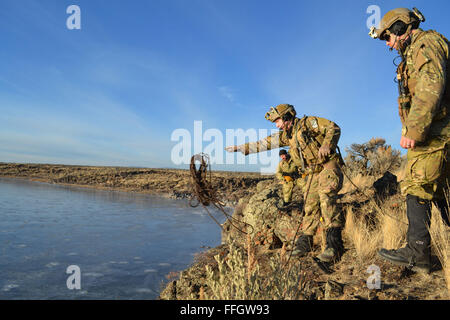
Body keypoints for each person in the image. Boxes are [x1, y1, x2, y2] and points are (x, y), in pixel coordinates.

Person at [369, 7, 450, 273]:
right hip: (436, 133)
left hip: (436, 134)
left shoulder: (425, 45)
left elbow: (430, 87)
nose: (389, 45)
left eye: (388, 38)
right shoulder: (414, 53)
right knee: (442, 193)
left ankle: (418, 253)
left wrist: (413, 130)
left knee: (417, 185)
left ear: (401, 28)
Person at [225, 104, 345, 264]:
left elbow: (333, 127)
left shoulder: (308, 123)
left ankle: (333, 245)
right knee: (309, 207)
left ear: (287, 116)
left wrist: (327, 144)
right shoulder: (286, 136)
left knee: (327, 201)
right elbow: (264, 143)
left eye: (278, 120)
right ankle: (306, 242)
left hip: (327, 167)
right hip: (312, 173)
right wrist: (240, 148)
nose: (277, 125)